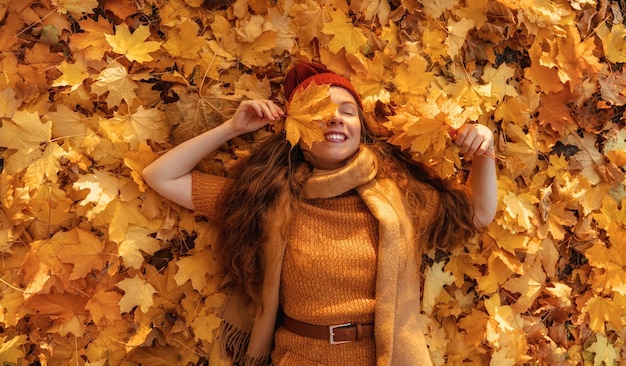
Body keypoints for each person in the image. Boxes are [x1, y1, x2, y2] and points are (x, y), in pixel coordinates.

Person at [142, 62, 497, 366]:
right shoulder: (265, 198)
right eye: (318, 112)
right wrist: (231, 128)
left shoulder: (401, 196)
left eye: (347, 110)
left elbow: (479, 213)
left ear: (361, 127)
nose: (334, 118)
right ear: (296, 130)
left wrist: (484, 150)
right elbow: (161, 176)